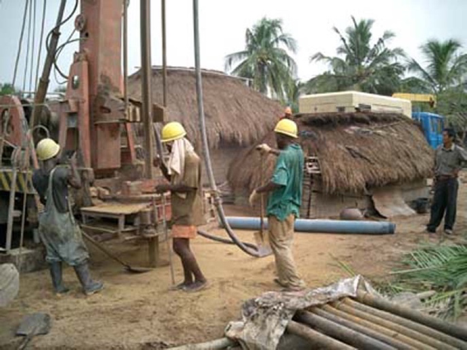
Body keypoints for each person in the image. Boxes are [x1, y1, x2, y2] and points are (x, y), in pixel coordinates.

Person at [32, 138, 103, 296]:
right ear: (52, 155)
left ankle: (59, 288)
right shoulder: (60, 173)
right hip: (61, 220)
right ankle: (88, 285)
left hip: (46, 221)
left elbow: (44, 198)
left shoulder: (36, 175)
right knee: (76, 249)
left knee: (53, 254)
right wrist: (72, 163)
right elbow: (77, 183)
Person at [250, 119, 306, 291]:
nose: (275, 140)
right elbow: (285, 154)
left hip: (280, 207)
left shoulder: (285, 156)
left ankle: (294, 282)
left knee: (280, 245)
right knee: (284, 243)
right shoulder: (298, 152)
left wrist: (258, 191)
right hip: (291, 206)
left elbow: (279, 181)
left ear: (282, 137)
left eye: (277, 137)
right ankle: (284, 278)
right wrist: (270, 151)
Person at [154, 122, 207, 292]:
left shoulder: (191, 159)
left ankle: (201, 279)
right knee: (184, 246)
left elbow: (188, 186)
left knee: (179, 246)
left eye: (168, 145)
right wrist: (162, 165)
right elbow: (174, 181)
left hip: (188, 209)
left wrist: (165, 188)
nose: (168, 149)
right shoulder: (181, 158)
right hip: (180, 209)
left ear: (174, 143)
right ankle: (187, 280)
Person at [427, 128, 467, 235]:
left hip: (451, 181)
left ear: (451, 138)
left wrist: (458, 169)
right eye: (443, 135)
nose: (442, 137)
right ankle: (432, 225)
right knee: (437, 204)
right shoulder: (439, 149)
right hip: (440, 180)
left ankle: (448, 227)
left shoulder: (458, 151)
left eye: (445, 136)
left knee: (450, 204)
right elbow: (435, 163)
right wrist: (435, 176)